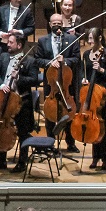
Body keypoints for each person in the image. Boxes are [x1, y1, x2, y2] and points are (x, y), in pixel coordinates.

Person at [28, 14, 80, 151]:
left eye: (59, 22)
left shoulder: (71, 39)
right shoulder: (43, 40)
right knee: (50, 113)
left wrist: (65, 61)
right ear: (50, 25)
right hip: (51, 83)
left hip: (67, 82)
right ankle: (50, 142)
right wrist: (50, 62)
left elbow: (76, 58)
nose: (57, 24)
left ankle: (70, 142)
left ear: (62, 23)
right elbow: (38, 60)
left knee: (68, 111)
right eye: (54, 22)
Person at [0, 31, 38, 173]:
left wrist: (18, 78)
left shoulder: (29, 60)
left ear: (19, 45)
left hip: (21, 102)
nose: (8, 45)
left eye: (11, 43)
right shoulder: (4, 57)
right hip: (4, 99)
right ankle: (1, 161)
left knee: (23, 132)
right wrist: (1, 85)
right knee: (1, 129)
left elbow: (34, 79)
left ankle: (22, 162)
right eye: (8, 42)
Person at [78, 27, 106, 170]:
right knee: (92, 126)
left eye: (91, 38)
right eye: (88, 38)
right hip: (90, 93)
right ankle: (95, 157)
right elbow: (83, 70)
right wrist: (83, 79)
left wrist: (101, 70)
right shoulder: (86, 54)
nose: (88, 41)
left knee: (103, 127)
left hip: (103, 95)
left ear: (99, 38)